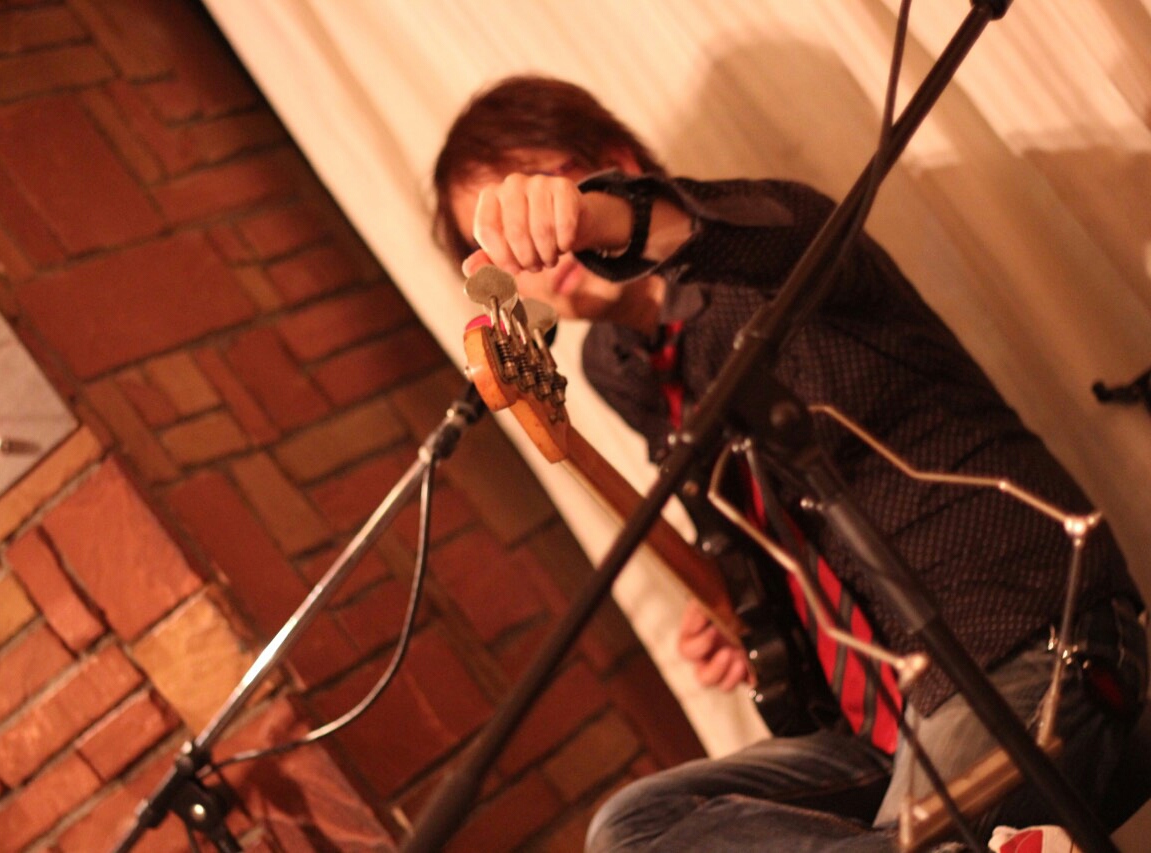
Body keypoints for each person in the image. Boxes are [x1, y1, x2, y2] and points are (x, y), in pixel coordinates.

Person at [431, 75, 1147, 851]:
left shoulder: (764, 238)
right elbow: (761, 515)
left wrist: (595, 215)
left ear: (615, 160)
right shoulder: (617, 365)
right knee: (630, 829)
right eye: (499, 240)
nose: (532, 247)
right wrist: (740, 604)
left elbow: (744, 233)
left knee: (910, 831)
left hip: (1016, 634)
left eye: (531, 194)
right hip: (867, 728)